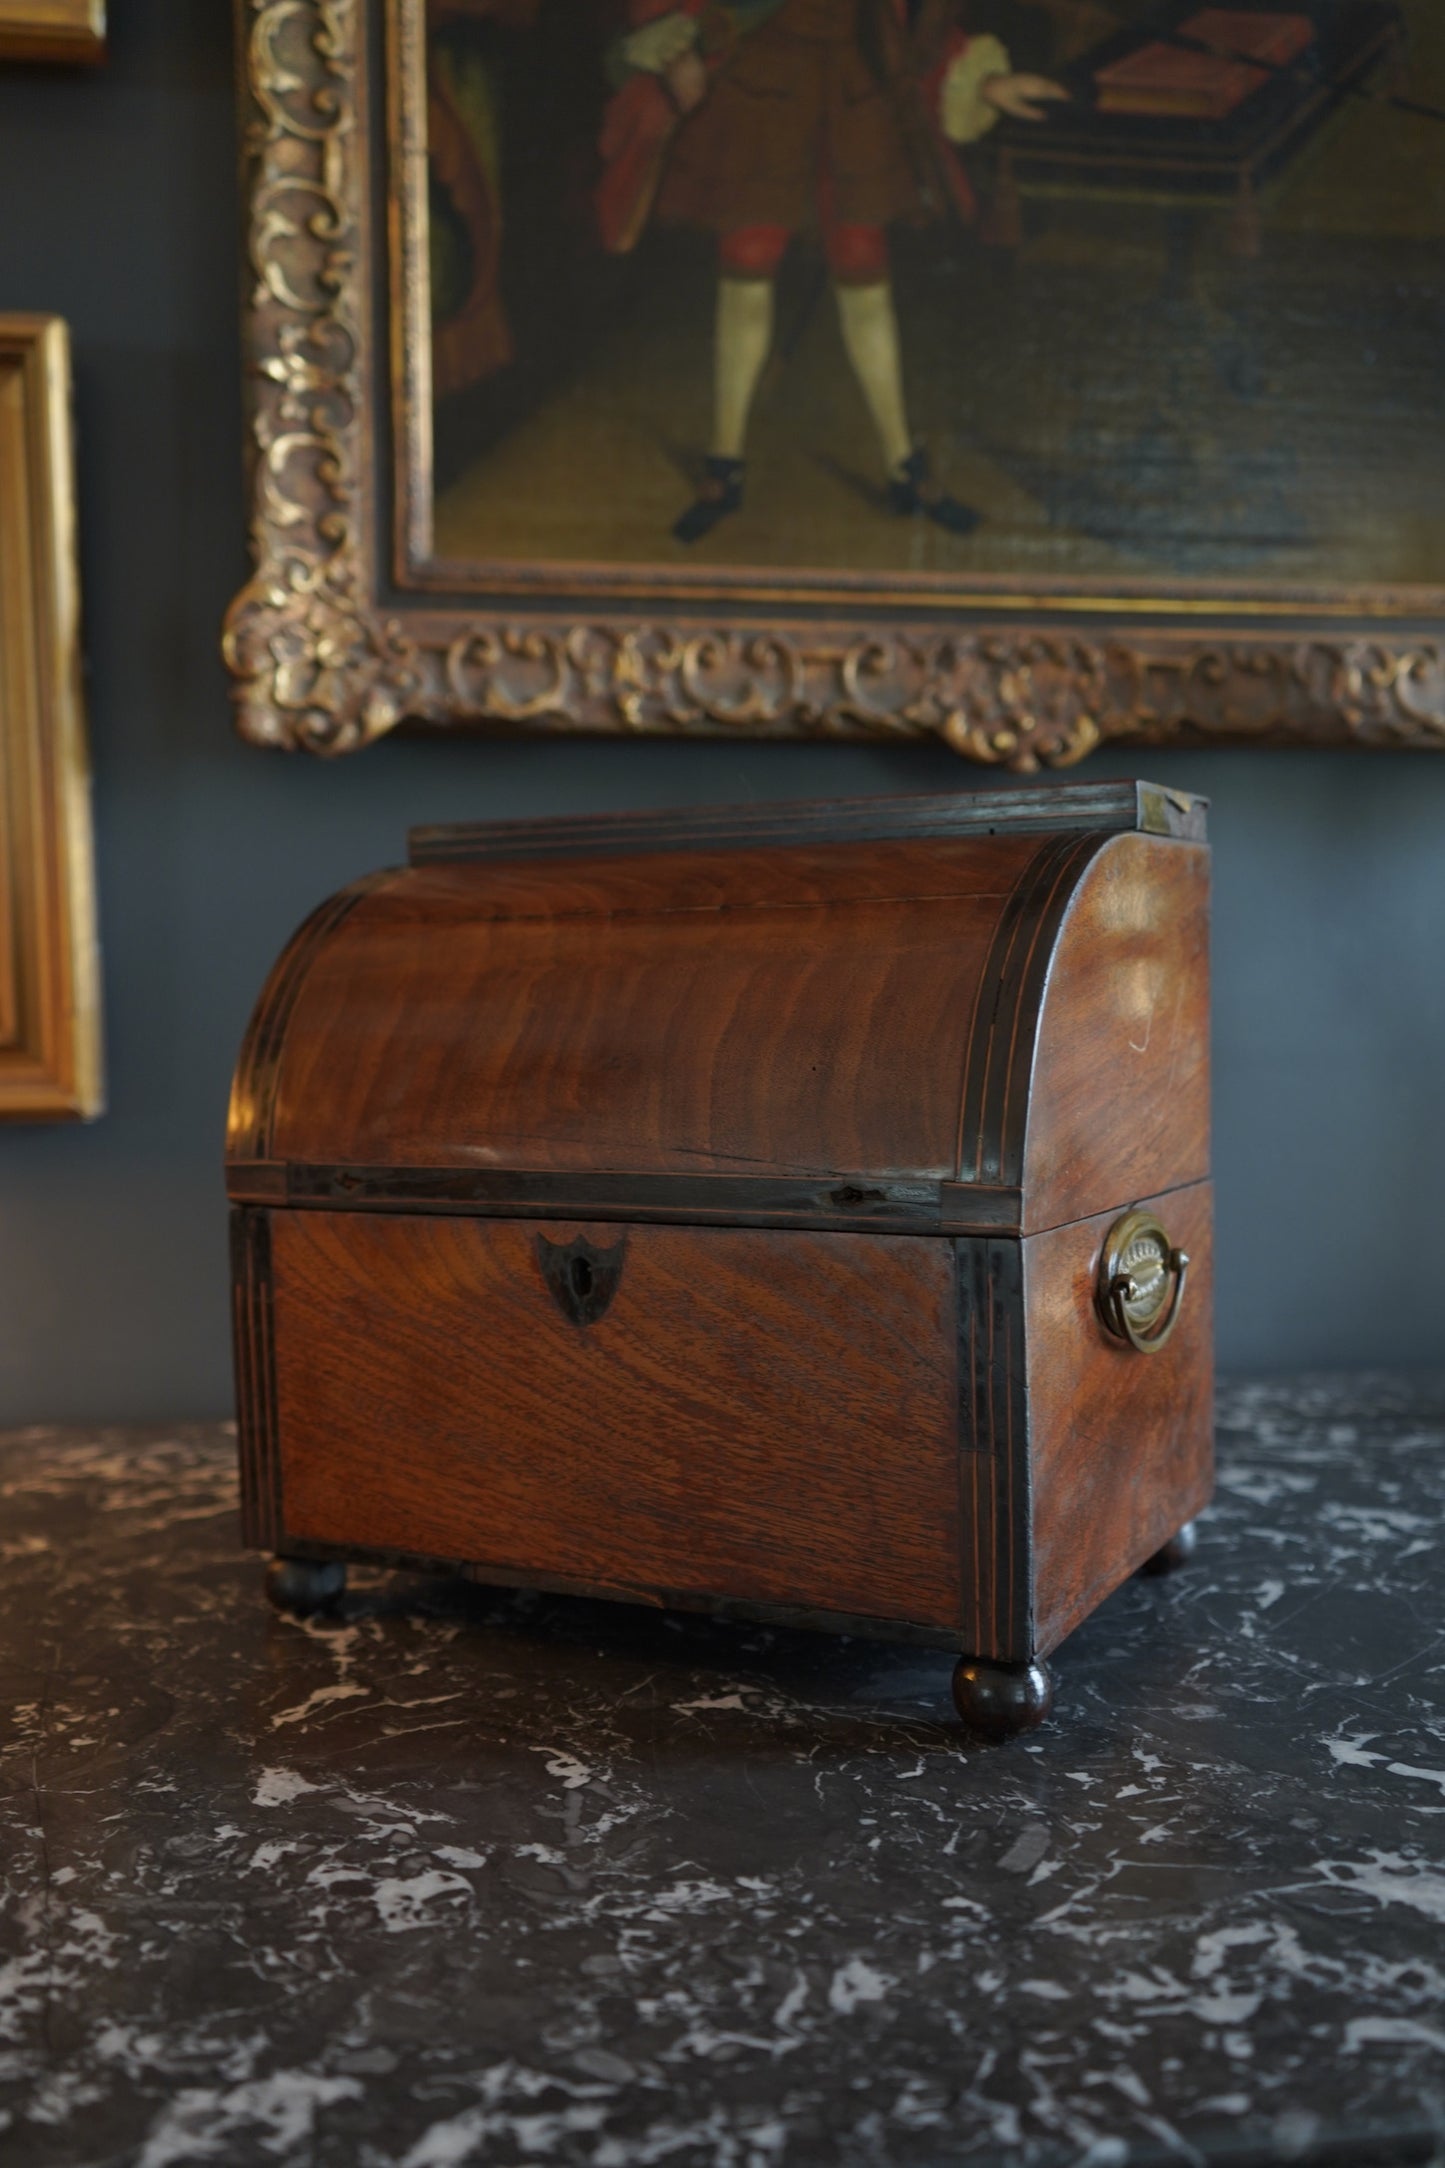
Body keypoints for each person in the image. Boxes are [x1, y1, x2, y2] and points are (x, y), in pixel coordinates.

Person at [597, 0, 1066, 542]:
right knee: (747, 265)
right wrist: (679, 47)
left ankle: (902, 467)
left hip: (855, 91)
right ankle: (723, 466)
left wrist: (985, 83)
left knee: (865, 273)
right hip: (761, 84)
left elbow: (912, 24)